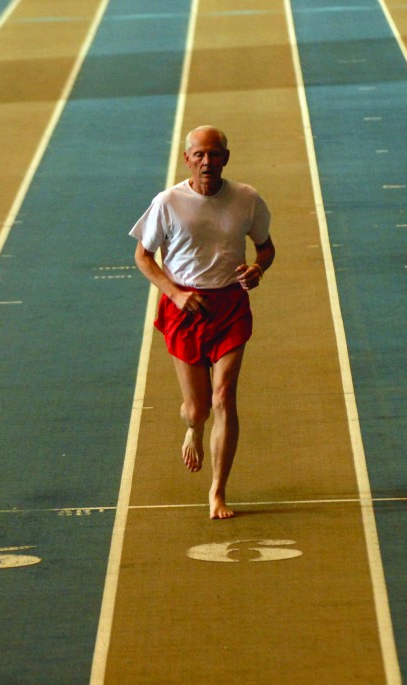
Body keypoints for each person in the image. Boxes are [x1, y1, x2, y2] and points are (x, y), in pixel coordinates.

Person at [130, 125, 275, 520]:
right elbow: (143, 256)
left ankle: (217, 491)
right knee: (198, 409)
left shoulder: (246, 198)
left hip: (229, 304)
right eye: (200, 155)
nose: (207, 161)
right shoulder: (168, 202)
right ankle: (193, 428)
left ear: (226, 157)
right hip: (185, 307)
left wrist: (257, 270)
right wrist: (175, 293)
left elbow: (265, 247)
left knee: (224, 397)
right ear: (187, 159)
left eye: (215, 154)